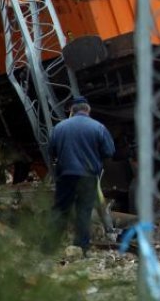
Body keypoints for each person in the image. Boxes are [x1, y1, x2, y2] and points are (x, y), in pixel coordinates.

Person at [48, 96, 115, 255]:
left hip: (66, 175)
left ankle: (49, 247)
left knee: (60, 210)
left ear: (72, 110)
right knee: (84, 211)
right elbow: (109, 152)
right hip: (88, 176)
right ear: (88, 110)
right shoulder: (98, 127)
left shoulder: (59, 127)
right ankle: (81, 248)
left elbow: (51, 151)